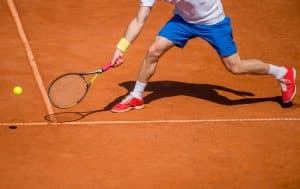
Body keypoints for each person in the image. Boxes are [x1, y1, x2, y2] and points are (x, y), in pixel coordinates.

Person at [109, 0, 296, 113]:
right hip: (183, 20)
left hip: (213, 21)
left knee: (235, 67)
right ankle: (136, 95)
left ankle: (282, 73)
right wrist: (121, 48)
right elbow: (139, 20)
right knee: (153, 51)